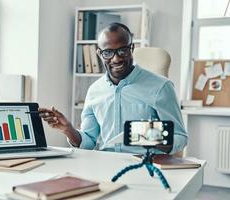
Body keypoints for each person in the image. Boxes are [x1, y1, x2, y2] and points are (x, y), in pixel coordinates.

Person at [39, 23, 187, 154]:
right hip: (105, 165)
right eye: (108, 53)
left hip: (145, 165)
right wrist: (68, 129)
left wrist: (145, 134)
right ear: (99, 54)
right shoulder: (94, 90)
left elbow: (180, 138)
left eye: (123, 50)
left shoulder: (161, 87)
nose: (116, 59)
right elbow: (89, 142)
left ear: (132, 48)